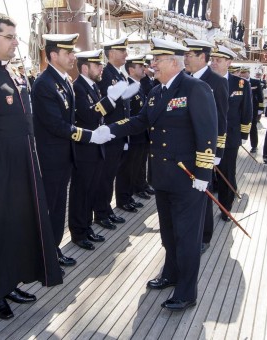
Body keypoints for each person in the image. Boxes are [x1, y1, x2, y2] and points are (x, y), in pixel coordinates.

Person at [0, 14, 63, 320]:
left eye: (16, 37)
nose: (17, 42)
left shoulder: (15, 74)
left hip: (21, 168)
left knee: (15, 228)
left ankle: (9, 281)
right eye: (10, 37)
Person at [105, 38, 218, 311]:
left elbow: (208, 133)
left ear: (174, 62)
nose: (151, 64)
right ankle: (170, 273)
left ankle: (186, 291)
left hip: (189, 178)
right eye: (152, 60)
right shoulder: (156, 92)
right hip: (163, 177)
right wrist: (108, 130)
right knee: (168, 233)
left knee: (187, 237)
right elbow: (140, 121)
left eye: (157, 60)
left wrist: (203, 173)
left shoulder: (196, 89)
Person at [31, 33, 115, 258]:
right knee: (51, 208)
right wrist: (90, 136)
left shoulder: (63, 81)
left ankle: (54, 249)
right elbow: (56, 125)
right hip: (51, 159)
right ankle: (46, 253)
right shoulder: (44, 84)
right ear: (53, 55)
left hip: (65, 156)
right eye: (68, 53)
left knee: (58, 208)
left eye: (73, 53)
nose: (73, 57)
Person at [182, 39, 229, 254]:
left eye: (189, 55)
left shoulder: (216, 82)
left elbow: (221, 119)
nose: (185, 59)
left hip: (206, 151)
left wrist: (216, 153)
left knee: (204, 192)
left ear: (202, 57)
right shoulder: (185, 80)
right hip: (187, 148)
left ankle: (205, 236)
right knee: (189, 194)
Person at [68, 49, 113, 251]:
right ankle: (78, 232)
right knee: (81, 192)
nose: (101, 68)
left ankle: (86, 227)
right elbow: (88, 116)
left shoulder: (93, 86)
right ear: (85, 68)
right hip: (84, 149)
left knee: (91, 190)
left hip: (96, 147)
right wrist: (109, 101)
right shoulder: (78, 87)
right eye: (97, 65)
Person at [209, 45, 252, 221]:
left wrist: (243, 135)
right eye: (212, 60)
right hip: (207, 136)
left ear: (229, 62)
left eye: (218, 60)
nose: (213, 63)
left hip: (229, 137)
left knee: (227, 173)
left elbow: (246, 110)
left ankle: (226, 208)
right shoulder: (204, 81)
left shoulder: (241, 84)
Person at [96, 37, 137, 219]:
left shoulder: (119, 75)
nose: (126, 54)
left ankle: (107, 209)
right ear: (112, 53)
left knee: (112, 174)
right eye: (123, 51)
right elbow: (106, 104)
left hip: (120, 133)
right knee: (105, 177)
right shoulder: (105, 74)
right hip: (110, 133)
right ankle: (102, 212)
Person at [123, 56, 152, 201]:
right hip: (133, 134)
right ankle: (132, 190)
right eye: (140, 66)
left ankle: (141, 185)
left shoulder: (140, 85)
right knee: (131, 166)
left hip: (143, 133)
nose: (144, 69)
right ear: (131, 69)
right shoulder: (127, 86)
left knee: (141, 163)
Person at [242, 67, 265, 153]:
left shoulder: (255, 82)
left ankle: (254, 145)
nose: (243, 74)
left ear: (248, 72)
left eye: (244, 72)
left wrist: (260, 108)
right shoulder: (239, 81)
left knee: (252, 127)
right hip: (241, 108)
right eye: (241, 73)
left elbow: (260, 96)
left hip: (253, 108)